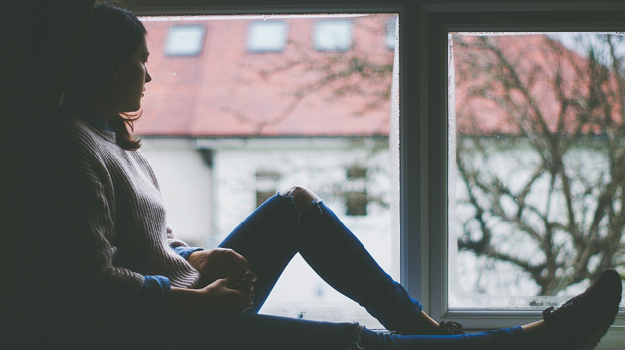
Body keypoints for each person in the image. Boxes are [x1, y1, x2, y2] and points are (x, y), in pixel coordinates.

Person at [44, 3, 622, 350]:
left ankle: (424, 330)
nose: (149, 75)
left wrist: (196, 258)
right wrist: (193, 300)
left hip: (187, 306)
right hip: (169, 335)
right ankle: (533, 344)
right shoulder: (72, 146)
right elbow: (86, 285)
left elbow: (147, 246)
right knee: (352, 342)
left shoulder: (113, 141)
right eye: (142, 59)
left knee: (297, 205)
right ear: (114, 63)